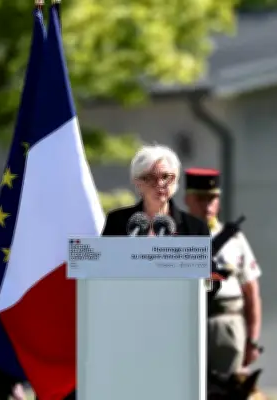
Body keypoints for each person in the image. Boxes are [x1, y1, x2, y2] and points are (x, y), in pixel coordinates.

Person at [183, 167, 261, 374]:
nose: (207, 205)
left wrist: (252, 339)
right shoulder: (176, 236)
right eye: (200, 198)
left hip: (227, 320)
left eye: (212, 198)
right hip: (188, 321)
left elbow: (251, 291)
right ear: (187, 200)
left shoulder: (234, 239)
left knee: (226, 390)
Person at [101, 145, 209, 237]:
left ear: (175, 179)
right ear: (138, 182)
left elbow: (207, 262)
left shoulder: (196, 228)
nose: (160, 184)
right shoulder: (117, 221)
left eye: (166, 176)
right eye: (151, 178)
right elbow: (103, 259)